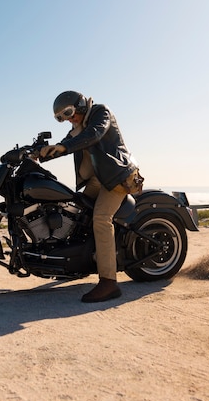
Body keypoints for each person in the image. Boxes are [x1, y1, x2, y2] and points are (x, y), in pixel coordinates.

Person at [40, 91, 142, 303]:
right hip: (100, 179)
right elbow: (62, 145)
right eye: (62, 118)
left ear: (80, 104)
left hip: (119, 176)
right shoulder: (77, 128)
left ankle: (108, 282)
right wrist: (37, 154)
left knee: (101, 219)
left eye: (68, 113)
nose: (68, 119)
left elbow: (95, 134)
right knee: (74, 209)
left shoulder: (100, 113)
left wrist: (64, 146)